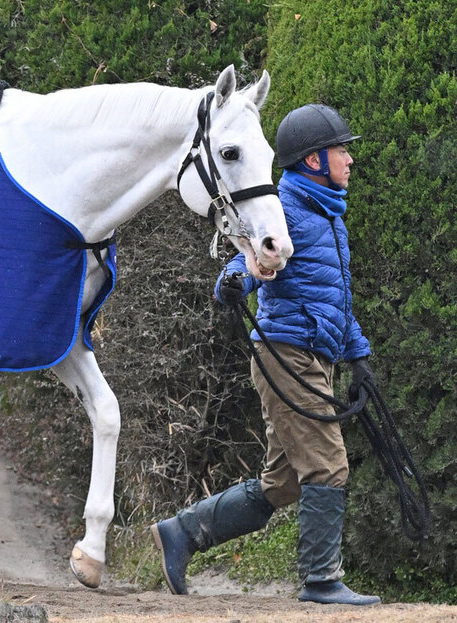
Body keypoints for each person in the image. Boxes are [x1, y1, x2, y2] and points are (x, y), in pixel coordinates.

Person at [149, 104, 380, 606]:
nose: (349, 159)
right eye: (342, 150)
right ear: (315, 161)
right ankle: (321, 579)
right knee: (327, 463)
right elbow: (248, 259)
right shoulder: (289, 210)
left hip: (313, 354)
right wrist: (233, 281)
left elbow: (333, 297)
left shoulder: (327, 213)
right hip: (287, 354)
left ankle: (183, 532)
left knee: (284, 483)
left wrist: (358, 357)